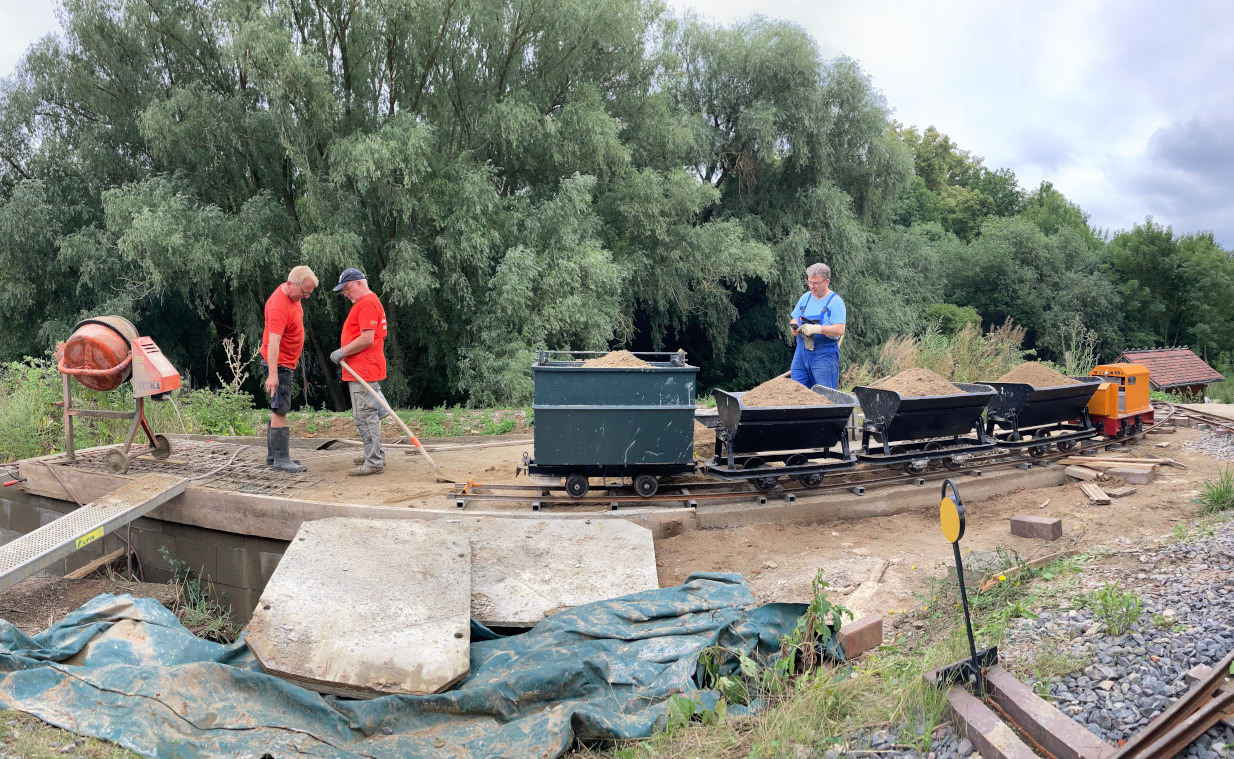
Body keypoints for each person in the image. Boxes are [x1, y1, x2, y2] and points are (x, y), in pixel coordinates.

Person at [329, 268, 389, 476]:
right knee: (366, 413)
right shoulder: (368, 303)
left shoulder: (367, 304)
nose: (346, 294)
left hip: (363, 368)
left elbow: (366, 338)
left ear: (359, 283)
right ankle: (373, 454)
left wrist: (342, 352)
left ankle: (373, 461)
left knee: (365, 415)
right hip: (362, 368)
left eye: (347, 289)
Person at [261, 265, 318, 473]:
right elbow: (273, 343)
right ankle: (281, 460)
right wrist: (273, 375)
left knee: (278, 407)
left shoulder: (292, 296)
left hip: (285, 362)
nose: (307, 296)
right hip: (280, 363)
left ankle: (273, 455)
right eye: (305, 292)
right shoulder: (279, 306)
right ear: (291, 284)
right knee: (280, 409)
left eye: (310, 292)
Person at [789, 262, 846, 389]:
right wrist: (794, 327)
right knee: (797, 393)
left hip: (823, 354)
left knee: (825, 396)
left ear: (826, 282)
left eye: (815, 283)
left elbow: (840, 329)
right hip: (801, 353)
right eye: (809, 282)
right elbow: (794, 318)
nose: (812, 286)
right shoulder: (806, 298)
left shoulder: (835, 302)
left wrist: (817, 329)